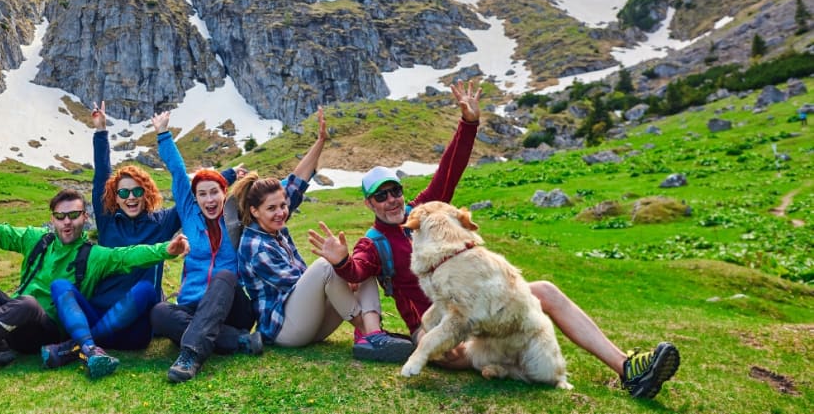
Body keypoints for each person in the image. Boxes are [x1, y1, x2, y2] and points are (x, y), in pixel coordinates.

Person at [309, 79, 681, 399]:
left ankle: (629, 369)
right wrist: (340, 259)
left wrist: (469, 123)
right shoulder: (373, 243)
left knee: (545, 291)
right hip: (436, 324)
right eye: (381, 196)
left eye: (395, 192)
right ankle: (505, 363)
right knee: (454, 350)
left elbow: (449, 170)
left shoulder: (427, 209)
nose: (392, 201)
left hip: (480, 304)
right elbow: (355, 273)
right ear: (369, 203)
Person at [0, 182, 187, 382]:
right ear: (53, 219)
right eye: (60, 216)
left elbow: (129, 256)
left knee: (28, 304)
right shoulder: (36, 239)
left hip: (43, 329)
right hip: (13, 313)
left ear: (85, 217)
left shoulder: (94, 255)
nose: (67, 222)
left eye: (73, 215)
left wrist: (166, 249)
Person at [233, 108, 413, 361]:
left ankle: (372, 335)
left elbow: (296, 182)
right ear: (254, 211)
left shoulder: (275, 226)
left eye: (282, 206)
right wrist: (339, 272)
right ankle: (370, 333)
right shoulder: (254, 245)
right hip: (286, 330)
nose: (280, 213)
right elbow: (299, 283)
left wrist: (320, 142)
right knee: (327, 266)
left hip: (312, 324)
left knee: (360, 269)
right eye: (271, 208)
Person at [41, 101, 182, 357]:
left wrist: (225, 177)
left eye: (137, 191)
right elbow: (102, 175)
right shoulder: (108, 220)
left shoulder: (162, 223)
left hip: (135, 329)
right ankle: (89, 347)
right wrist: (101, 131)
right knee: (61, 286)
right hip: (99, 311)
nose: (131, 197)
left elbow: (186, 193)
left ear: (147, 193)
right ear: (114, 197)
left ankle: (74, 347)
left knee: (145, 290)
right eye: (124, 192)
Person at [149, 109, 261, 383]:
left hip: (233, 307)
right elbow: (177, 172)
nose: (209, 199)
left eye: (214, 192)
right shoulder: (189, 214)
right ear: (195, 198)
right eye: (202, 194)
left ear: (225, 193)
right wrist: (163, 134)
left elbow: (273, 197)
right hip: (193, 306)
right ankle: (238, 341)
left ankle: (190, 354)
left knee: (225, 275)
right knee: (160, 312)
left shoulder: (236, 216)